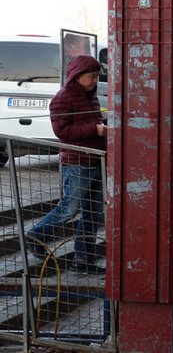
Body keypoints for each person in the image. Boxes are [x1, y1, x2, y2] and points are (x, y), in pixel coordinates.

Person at [26, 55, 107, 275]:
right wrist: (94, 129)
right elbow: (61, 131)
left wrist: (102, 127)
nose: (94, 81)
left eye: (96, 77)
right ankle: (37, 234)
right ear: (78, 76)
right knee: (70, 208)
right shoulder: (63, 97)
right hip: (77, 162)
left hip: (95, 159)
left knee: (93, 214)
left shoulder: (90, 96)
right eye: (91, 77)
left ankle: (84, 260)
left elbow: (91, 121)